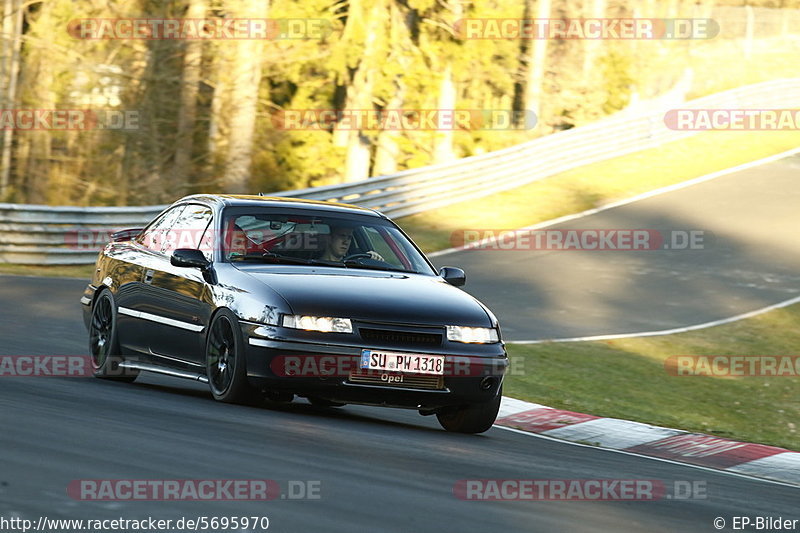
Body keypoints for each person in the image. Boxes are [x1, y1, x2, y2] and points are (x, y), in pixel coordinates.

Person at [318, 225, 383, 262]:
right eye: (342, 236)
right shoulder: (316, 266)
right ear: (329, 238)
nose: (346, 241)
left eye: (349, 237)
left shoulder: (357, 264)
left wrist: (375, 260)